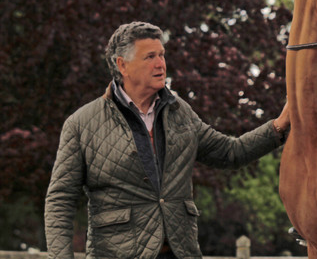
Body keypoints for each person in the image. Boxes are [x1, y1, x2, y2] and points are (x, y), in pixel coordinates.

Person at [44, 21, 290, 259]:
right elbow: (60, 201)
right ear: (123, 65)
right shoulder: (82, 123)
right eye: (150, 57)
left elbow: (230, 152)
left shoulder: (180, 111)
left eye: (161, 55)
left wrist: (279, 126)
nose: (161, 64)